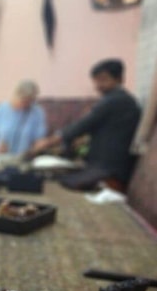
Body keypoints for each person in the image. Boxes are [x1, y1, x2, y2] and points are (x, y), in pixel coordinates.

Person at [29, 58, 141, 191]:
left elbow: (81, 126)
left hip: (110, 171)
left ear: (119, 79)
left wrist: (47, 142)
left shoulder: (116, 100)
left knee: (57, 182)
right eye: (96, 80)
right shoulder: (120, 100)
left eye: (103, 79)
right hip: (102, 167)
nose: (98, 85)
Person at [0, 80, 47, 154]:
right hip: (1, 159)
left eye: (30, 102)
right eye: (24, 101)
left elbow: (39, 139)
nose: (26, 105)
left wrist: (37, 147)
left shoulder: (36, 112)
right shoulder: (1, 109)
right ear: (16, 96)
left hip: (24, 159)